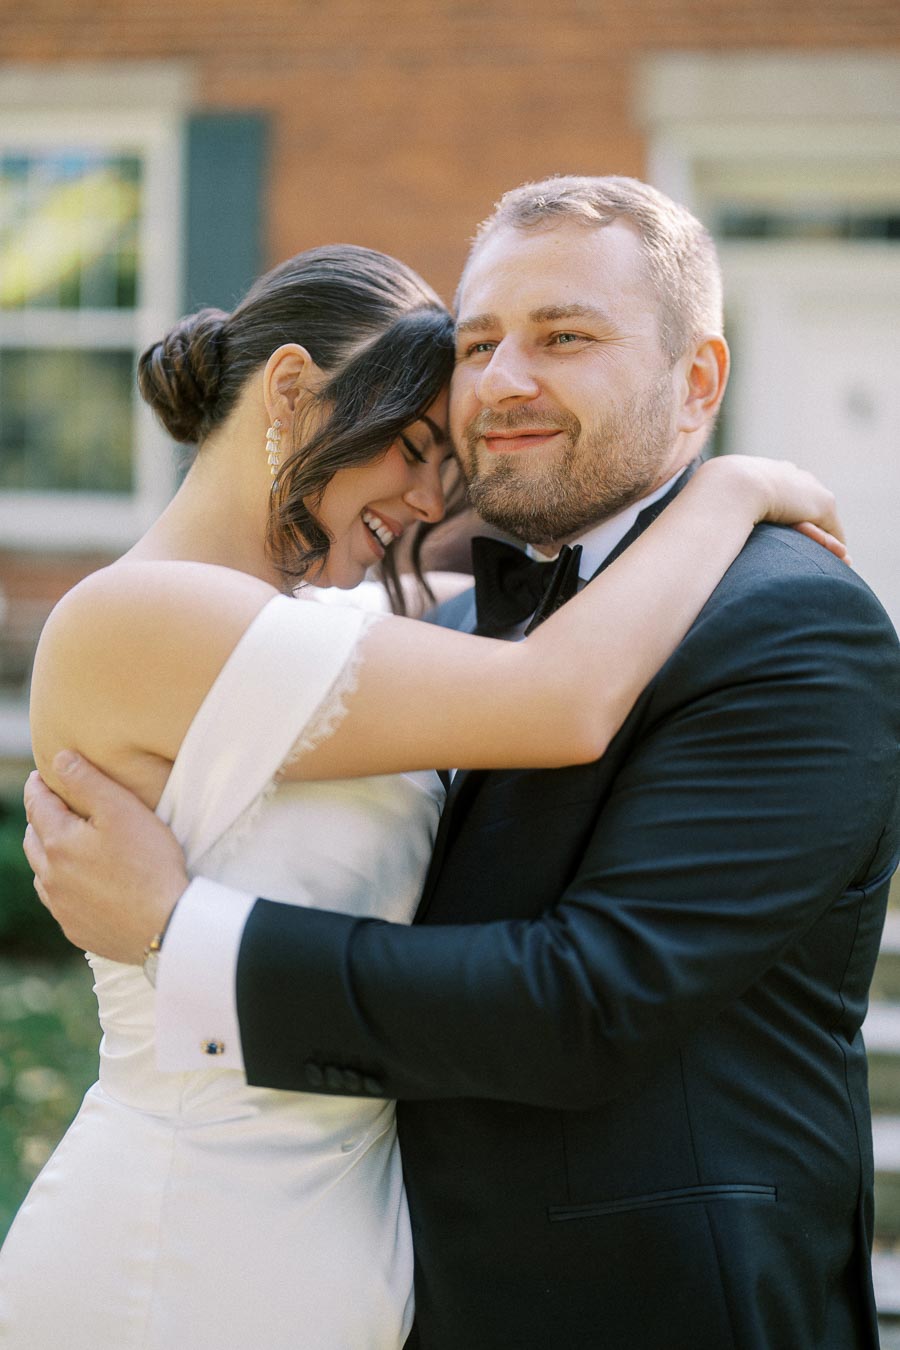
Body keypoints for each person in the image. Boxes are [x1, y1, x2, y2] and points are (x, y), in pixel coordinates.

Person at [18, 176, 898, 1350]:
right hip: (202, 1254)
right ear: (290, 393)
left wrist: (181, 931)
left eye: (565, 336)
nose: (501, 387)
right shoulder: (404, 633)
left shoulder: (788, 622)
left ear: (699, 384)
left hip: (653, 1309)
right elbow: (556, 689)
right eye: (480, 345)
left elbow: (591, 995)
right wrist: (733, 484)